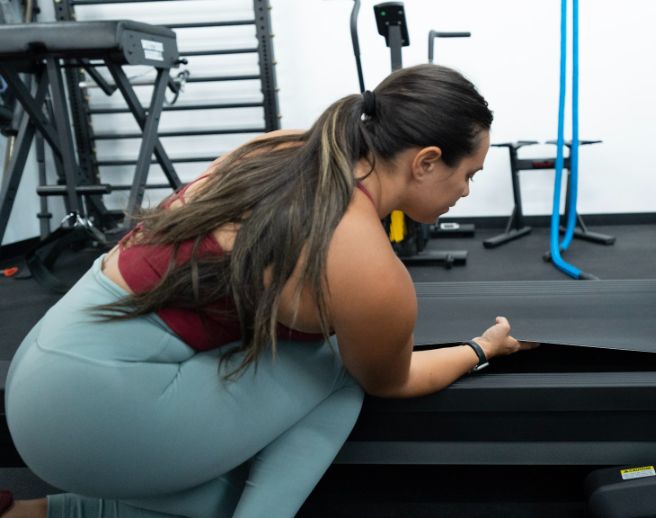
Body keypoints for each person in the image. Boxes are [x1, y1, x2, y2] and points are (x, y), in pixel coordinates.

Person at [2, 64, 537, 518]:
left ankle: (41, 511)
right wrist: (481, 349)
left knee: (224, 474)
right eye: (467, 174)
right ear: (425, 161)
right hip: (87, 414)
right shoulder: (368, 263)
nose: (465, 191)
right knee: (336, 373)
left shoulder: (280, 150)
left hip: (37, 374)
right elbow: (390, 381)